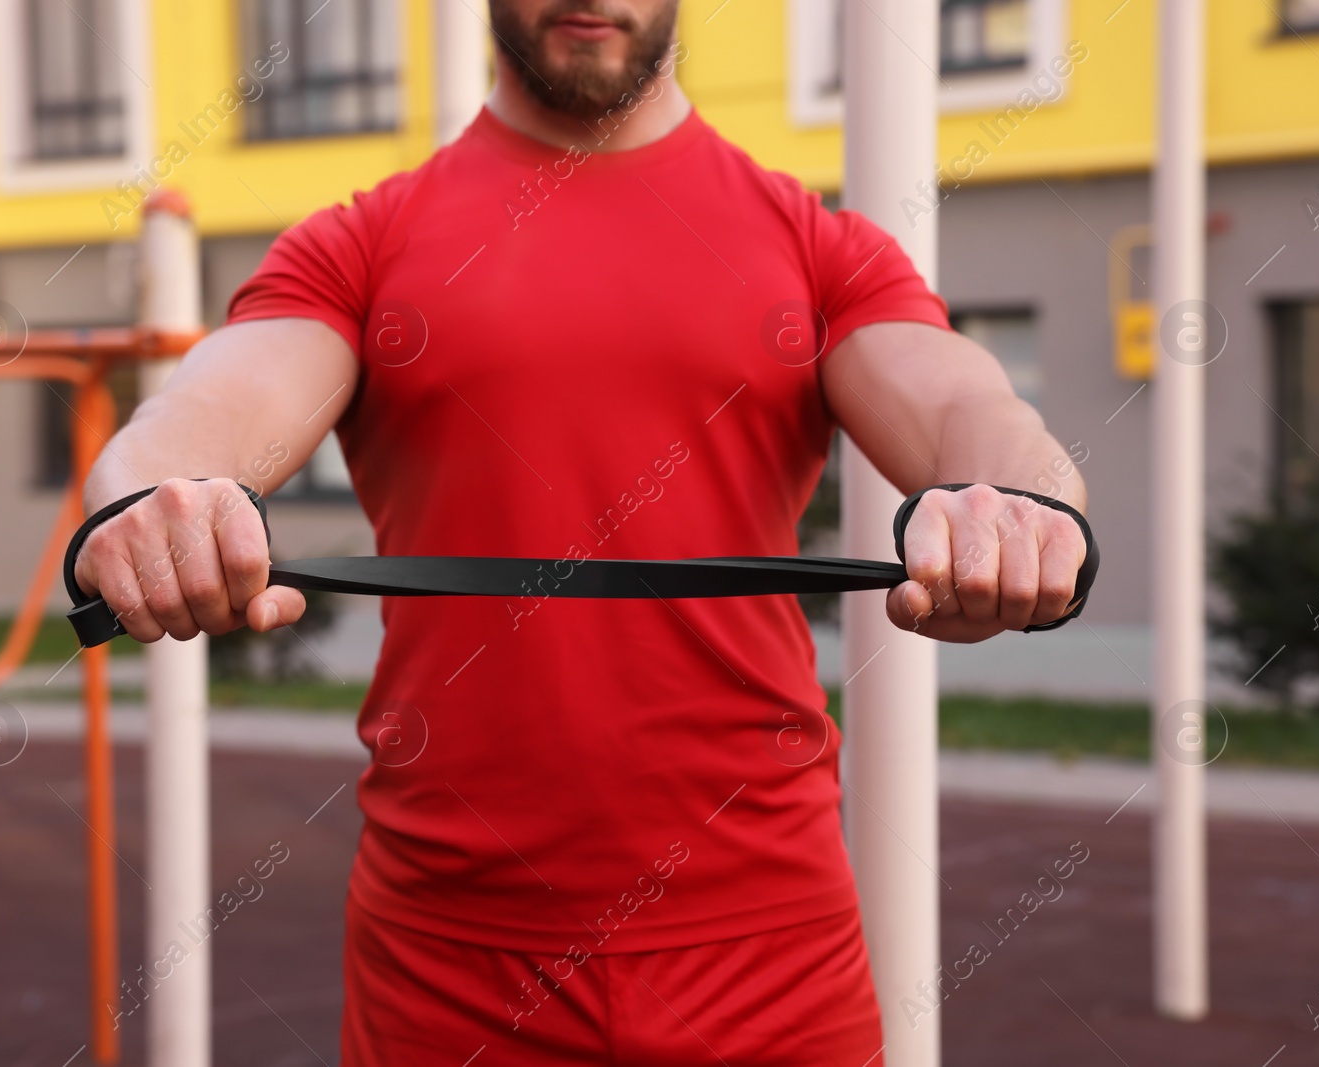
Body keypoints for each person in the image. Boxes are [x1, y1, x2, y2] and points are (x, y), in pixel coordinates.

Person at [74, 1, 1089, 1062]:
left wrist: (1016, 507)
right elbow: (210, 410)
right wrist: (149, 494)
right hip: (445, 955)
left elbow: (969, 410)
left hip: (768, 947)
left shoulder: (816, 247)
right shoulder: (360, 244)